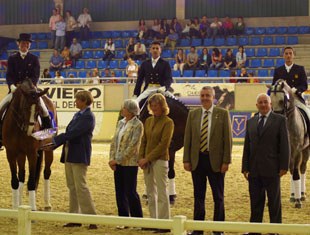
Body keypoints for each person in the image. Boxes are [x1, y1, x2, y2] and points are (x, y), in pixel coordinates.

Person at [41, 90, 97, 230]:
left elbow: (73, 133)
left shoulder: (88, 116)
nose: (75, 102)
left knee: (81, 186)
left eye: (77, 100)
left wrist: (54, 141)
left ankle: (91, 217)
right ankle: (74, 217)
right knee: (72, 186)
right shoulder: (78, 114)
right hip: (70, 153)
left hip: (79, 154)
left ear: (84, 101)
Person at [183, 86, 232, 235]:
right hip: (197, 160)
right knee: (198, 196)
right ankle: (198, 229)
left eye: (207, 95)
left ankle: (218, 229)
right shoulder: (193, 114)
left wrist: (226, 161)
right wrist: (186, 159)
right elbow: (188, 138)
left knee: (218, 196)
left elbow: (227, 140)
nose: (204, 98)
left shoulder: (222, 114)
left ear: (213, 97)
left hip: (216, 162)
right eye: (202, 95)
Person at [242, 93, 289, 229]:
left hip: (273, 169)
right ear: (256, 105)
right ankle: (254, 230)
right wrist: (245, 168)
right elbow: (247, 147)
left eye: (265, 102)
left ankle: (275, 230)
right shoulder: (250, 122)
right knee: (255, 203)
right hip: (254, 171)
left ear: (270, 104)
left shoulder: (280, 120)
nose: (263, 105)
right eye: (260, 103)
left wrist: (284, 166)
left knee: (274, 203)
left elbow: (285, 145)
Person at [0, 33, 52, 148]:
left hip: (30, 91)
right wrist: (12, 86)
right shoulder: (12, 58)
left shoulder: (34, 59)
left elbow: (36, 76)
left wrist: (30, 88)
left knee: (44, 109)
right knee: (1, 107)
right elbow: (9, 75)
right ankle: (0, 137)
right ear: (19, 44)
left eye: (27, 43)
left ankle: (46, 136)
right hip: (15, 90)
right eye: (23, 43)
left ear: (29, 45)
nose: (25, 45)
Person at [138, 93, 174, 233]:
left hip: (160, 160)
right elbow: (144, 141)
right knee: (150, 192)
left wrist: (147, 158)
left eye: (156, 105)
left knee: (162, 191)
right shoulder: (148, 121)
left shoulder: (168, 122)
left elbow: (163, 145)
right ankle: (154, 220)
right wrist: (141, 157)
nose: (154, 108)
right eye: (152, 106)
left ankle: (164, 223)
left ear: (162, 106)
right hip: (146, 161)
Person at [109, 99, 143, 221]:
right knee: (119, 192)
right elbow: (114, 142)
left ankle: (137, 219)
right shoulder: (120, 123)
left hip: (130, 164)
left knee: (130, 192)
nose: (122, 110)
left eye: (124, 108)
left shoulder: (138, 125)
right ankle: (123, 218)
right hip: (117, 163)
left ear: (130, 111)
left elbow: (133, 146)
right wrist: (111, 159)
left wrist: (117, 160)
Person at [272, 46, 309, 137]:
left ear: (293, 56)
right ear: (283, 56)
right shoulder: (278, 71)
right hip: (282, 100)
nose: (288, 55)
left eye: (290, 53)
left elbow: (304, 85)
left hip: (297, 99)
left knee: (307, 113)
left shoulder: (300, 69)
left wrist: (296, 90)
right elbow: (274, 85)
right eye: (286, 54)